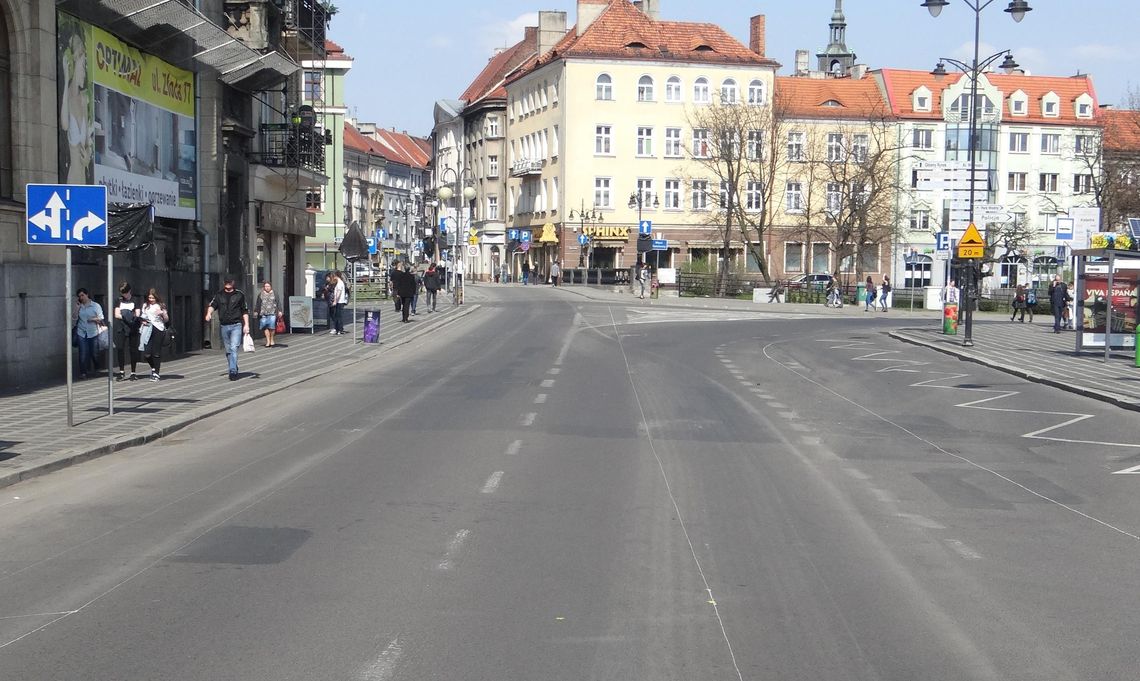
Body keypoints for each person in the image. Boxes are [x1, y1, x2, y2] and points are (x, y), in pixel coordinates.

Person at [205, 276, 250, 381]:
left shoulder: (239, 294)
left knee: (234, 348)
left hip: (236, 325)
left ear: (233, 282)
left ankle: (233, 371)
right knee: (228, 350)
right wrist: (208, 313)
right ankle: (233, 366)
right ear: (224, 283)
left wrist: (246, 325)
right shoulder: (219, 295)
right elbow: (213, 305)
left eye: (230, 282)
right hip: (224, 325)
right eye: (226, 282)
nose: (228, 284)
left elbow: (245, 310)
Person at [112, 282, 142, 381]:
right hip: (121, 327)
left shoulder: (135, 300)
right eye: (122, 293)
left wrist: (130, 317)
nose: (123, 295)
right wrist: (126, 316)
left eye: (125, 292)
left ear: (129, 291)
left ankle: (133, 372)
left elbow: (137, 314)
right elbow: (116, 314)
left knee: (133, 349)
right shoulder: (118, 300)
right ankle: (121, 371)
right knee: (120, 348)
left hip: (132, 327)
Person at [73, 288, 105, 379]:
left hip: (93, 332)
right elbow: (74, 317)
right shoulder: (80, 306)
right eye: (79, 296)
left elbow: (101, 318)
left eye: (82, 295)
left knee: (94, 353)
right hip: (81, 332)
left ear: (87, 295)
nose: (81, 297)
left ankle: (97, 368)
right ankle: (83, 372)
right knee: (82, 353)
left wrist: (92, 319)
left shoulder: (95, 306)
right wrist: (77, 308)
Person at [139, 289, 168, 381]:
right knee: (146, 353)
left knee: (156, 352)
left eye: (153, 298)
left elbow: (166, 319)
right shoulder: (145, 306)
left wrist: (162, 313)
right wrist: (142, 320)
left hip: (158, 329)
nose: (151, 299)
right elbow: (142, 316)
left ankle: (156, 373)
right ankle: (153, 367)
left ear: (156, 297)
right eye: (149, 297)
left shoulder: (160, 305)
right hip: (147, 329)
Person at [253, 281, 282, 347]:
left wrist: (280, 310)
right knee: (265, 327)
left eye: (268, 286)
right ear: (264, 287)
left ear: (271, 287)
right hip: (263, 313)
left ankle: (272, 339)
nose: (267, 288)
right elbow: (258, 303)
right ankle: (268, 341)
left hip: (272, 312)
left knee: (271, 327)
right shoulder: (261, 294)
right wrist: (256, 311)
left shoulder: (275, 293)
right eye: (266, 286)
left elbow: (278, 302)